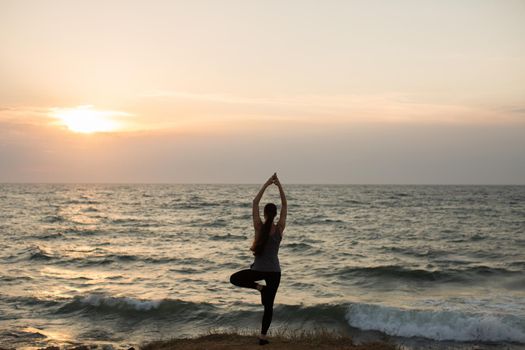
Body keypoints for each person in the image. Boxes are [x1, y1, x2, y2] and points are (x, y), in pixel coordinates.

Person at [230, 173, 287, 345]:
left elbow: (255, 202)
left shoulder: (259, 227)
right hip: (275, 272)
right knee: (268, 307)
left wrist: (267, 184)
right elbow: (285, 203)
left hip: (259, 270)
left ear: (264, 213)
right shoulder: (279, 228)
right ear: (276, 214)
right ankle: (263, 337)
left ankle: (259, 288)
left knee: (234, 278)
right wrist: (279, 185)